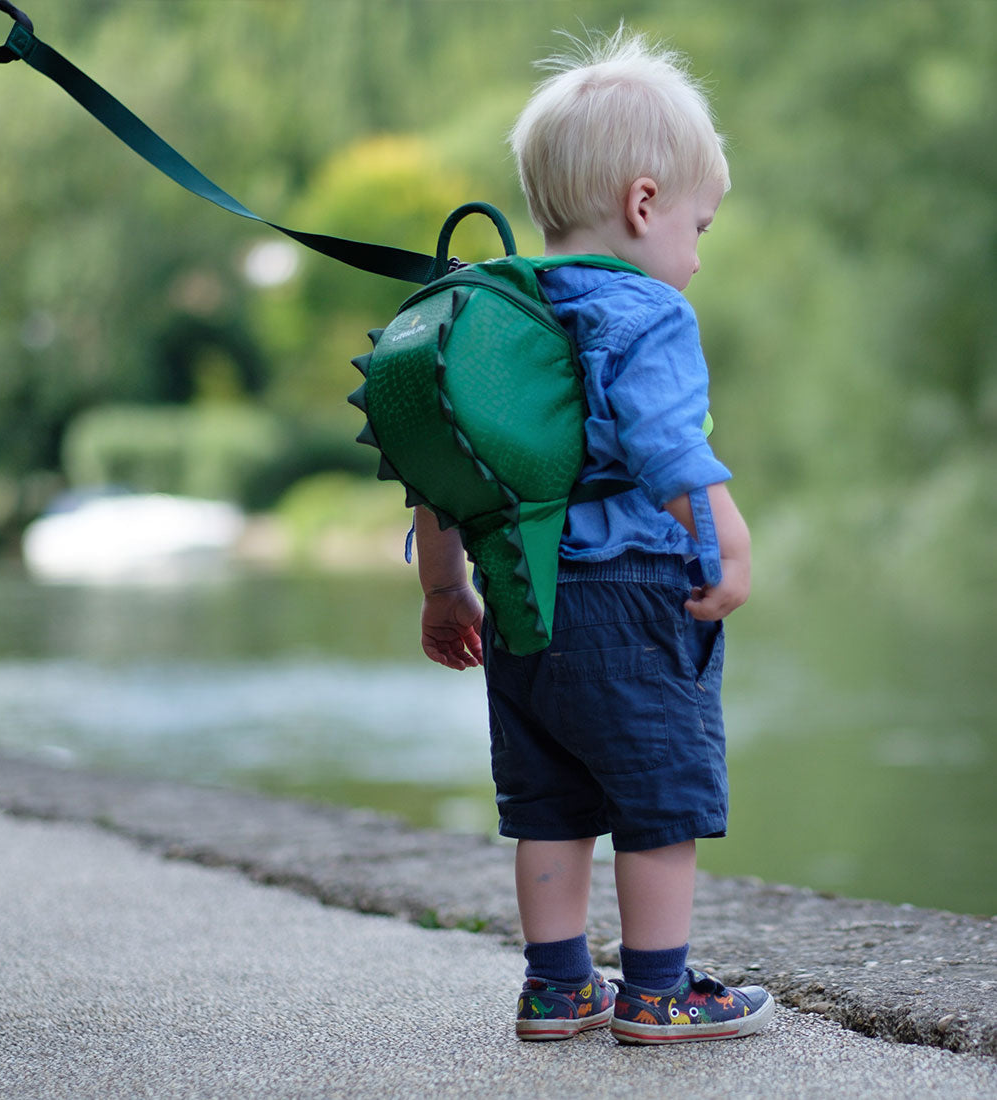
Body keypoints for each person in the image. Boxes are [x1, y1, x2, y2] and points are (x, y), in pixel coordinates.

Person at [416, 26, 775, 1045]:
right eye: (697, 228)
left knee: (547, 793)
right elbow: (668, 447)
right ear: (643, 202)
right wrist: (726, 542)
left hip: (518, 592)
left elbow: (443, 463)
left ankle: (556, 985)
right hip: (628, 590)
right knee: (658, 793)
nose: (695, 258)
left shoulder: (489, 311)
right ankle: (657, 991)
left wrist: (445, 589)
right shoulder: (646, 312)